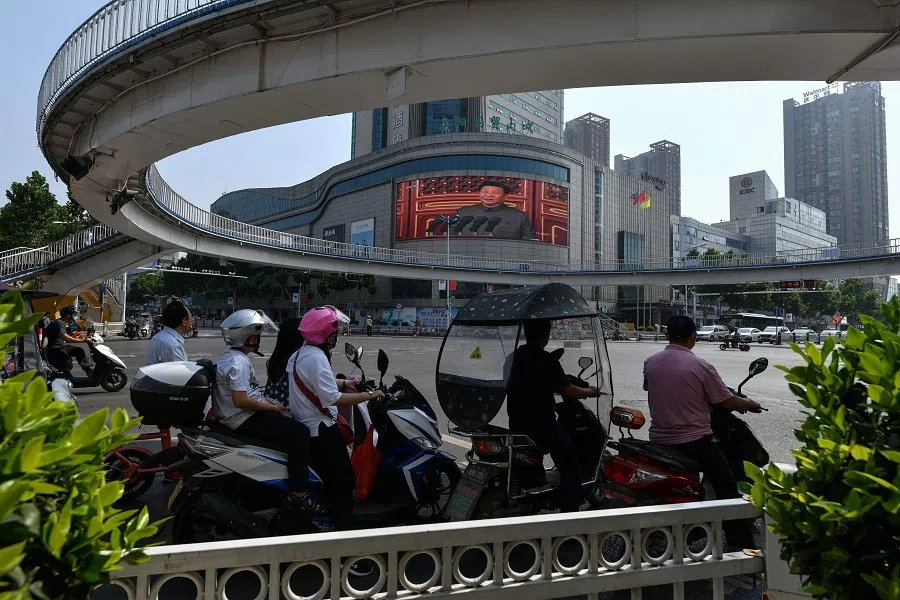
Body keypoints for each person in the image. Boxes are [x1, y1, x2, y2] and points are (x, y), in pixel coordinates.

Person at [643, 315, 762, 549]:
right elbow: (726, 400)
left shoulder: (650, 362)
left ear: (667, 336)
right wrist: (750, 403)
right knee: (727, 488)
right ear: (693, 337)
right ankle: (742, 548)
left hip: (658, 441)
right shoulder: (701, 366)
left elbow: (653, 387)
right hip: (695, 442)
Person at [211, 309, 318, 512]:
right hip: (242, 417)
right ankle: (299, 494)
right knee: (300, 433)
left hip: (233, 416)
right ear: (249, 337)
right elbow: (241, 400)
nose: (258, 340)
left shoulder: (230, 357)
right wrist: (271, 407)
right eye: (257, 335)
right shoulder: (239, 362)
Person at [289, 306, 385, 530]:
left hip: (304, 425)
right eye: (334, 333)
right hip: (321, 431)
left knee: (331, 479)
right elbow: (333, 398)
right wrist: (370, 395)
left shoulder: (298, 355)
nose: (336, 337)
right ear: (325, 334)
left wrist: (344, 383)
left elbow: (317, 382)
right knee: (344, 482)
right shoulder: (318, 358)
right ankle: (343, 534)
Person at [506, 319, 601, 512]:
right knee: (569, 462)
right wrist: (590, 391)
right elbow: (570, 391)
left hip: (516, 422)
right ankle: (571, 510)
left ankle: (540, 497)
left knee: (533, 462)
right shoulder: (546, 360)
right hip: (542, 424)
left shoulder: (513, 357)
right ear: (545, 336)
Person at [456, 182, 538, 240]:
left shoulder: (520, 216)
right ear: (479, 194)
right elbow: (450, 236)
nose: (489, 195)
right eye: (485, 192)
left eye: (495, 193)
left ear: (505, 197)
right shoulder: (462, 212)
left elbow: (529, 239)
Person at [43, 305, 94, 376]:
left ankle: (88, 371)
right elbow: (65, 337)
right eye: (74, 314)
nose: (75, 316)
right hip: (54, 348)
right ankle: (66, 375)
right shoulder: (59, 323)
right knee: (67, 362)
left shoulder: (62, 323)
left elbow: (67, 336)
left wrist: (82, 338)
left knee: (79, 350)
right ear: (68, 315)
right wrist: (82, 341)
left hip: (60, 346)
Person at [144, 300, 193, 365]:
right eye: (190, 318)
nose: (192, 321)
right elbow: (179, 372)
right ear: (184, 321)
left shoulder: (159, 337)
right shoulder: (172, 345)